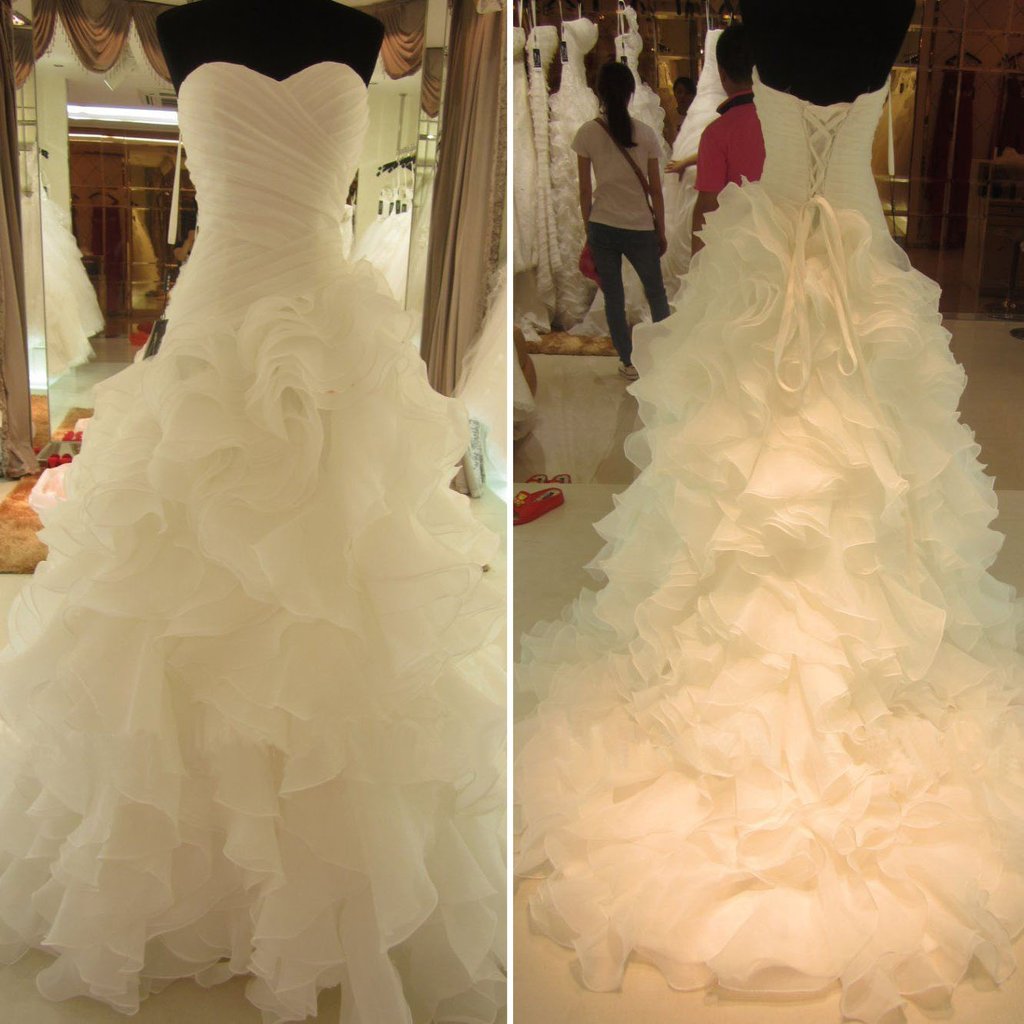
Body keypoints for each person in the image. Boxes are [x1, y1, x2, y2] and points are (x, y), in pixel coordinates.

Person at [572, 61, 670, 382]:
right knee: (656, 293)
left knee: (614, 297)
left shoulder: (587, 133)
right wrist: (661, 229)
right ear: (630, 94)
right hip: (640, 226)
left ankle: (627, 362)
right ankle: (664, 358)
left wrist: (588, 227)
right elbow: (655, 190)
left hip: (603, 225)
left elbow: (584, 190)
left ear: (599, 92)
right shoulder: (646, 134)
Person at [691, 22, 765, 254]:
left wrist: (697, 263)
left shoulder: (716, 134)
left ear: (722, 74)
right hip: (787, 248)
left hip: (736, 252)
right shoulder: (787, 124)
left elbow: (708, 206)